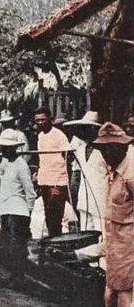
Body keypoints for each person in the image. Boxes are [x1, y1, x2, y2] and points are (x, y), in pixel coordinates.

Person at [0, 132, 35, 287]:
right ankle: (13, 274)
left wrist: (29, 212)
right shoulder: (6, 161)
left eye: (7, 148)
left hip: (18, 211)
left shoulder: (21, 166)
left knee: (17, 244)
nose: (3, 150)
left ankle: (19, 277)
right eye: (3, 147)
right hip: (6, 208)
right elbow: (0, 170)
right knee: (7, 243)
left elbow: (30, 191)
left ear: (14, 149)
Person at [92, 122, 134, 307]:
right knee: (110, 296)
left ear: (123, 147)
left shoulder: (130, 175)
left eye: (112, 148)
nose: (107, 154)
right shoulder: (114, 172)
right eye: (103, 149)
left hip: (128, 251)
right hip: (115, 249)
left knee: (124, 298)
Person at [63, 111, 105, 231]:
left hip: (100, 199)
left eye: (89, 128)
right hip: (84, 199)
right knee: (85, 234)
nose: (86, 132)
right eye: (84, 128)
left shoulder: (104, 151)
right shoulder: (80, 150)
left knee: (101, 233)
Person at [33, 107, 71, 237]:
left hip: (57, 182)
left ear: (50, 119)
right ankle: (52, 242)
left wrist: (64, 179)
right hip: (44, 180)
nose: (40, 123)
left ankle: (57, 242)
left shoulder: (59, 136)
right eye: (37, 120)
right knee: (48, 215)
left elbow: (67, 158)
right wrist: (38, 172)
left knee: (56, 215)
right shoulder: (40, 137)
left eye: (43, 120)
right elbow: (41, 158)